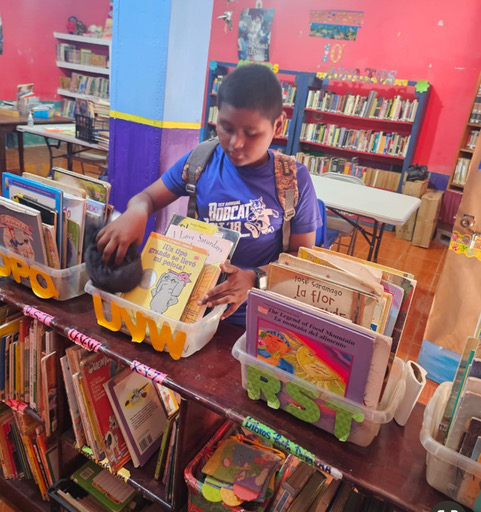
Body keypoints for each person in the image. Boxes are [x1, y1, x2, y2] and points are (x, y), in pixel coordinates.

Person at [96, 64, 321, 325]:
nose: (235, 143)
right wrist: (137, 212)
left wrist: (253, 277)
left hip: (257, 316)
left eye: (251, 133)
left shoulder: (293, 179)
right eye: (226, 128)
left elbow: (300, 259)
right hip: (193, 309)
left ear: (278, 125)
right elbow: (147, 198)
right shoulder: (201, 161)